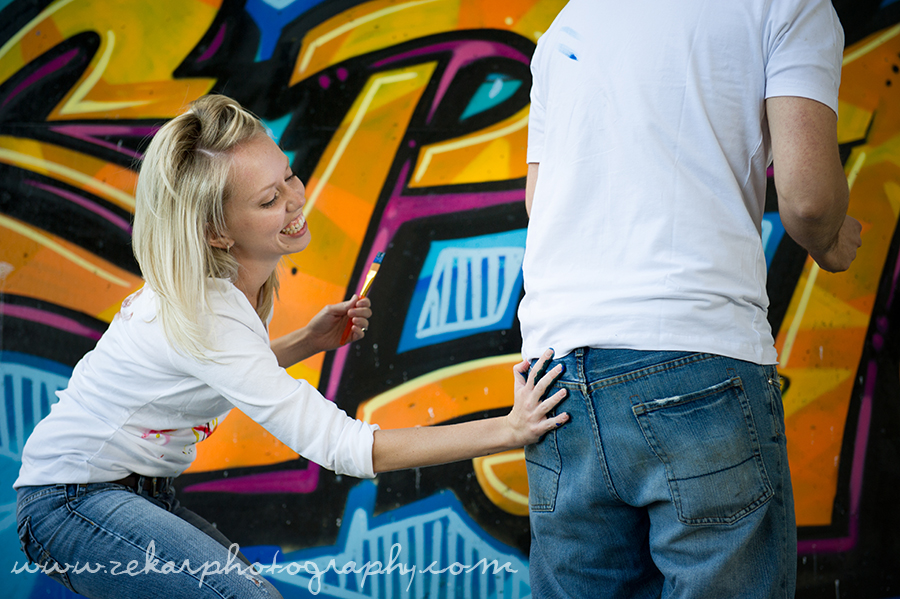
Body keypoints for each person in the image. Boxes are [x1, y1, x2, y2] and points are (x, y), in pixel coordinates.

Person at [13, 94, 569, 599]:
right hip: (70, 501)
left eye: (290, 176)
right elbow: (346, 447)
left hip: (131, 494)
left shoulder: (233, 293)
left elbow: (218, 371)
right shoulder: (210, 313)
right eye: (268, 200)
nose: (296, 199)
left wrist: (308, 340)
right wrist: (509, 430)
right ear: (216, 232)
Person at [519, 1, 862, 597]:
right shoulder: (790, 5)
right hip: (696, 355)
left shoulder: (568, 25)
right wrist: (831, 239)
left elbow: (540, 202)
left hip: (555, 374)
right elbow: (808, 200)